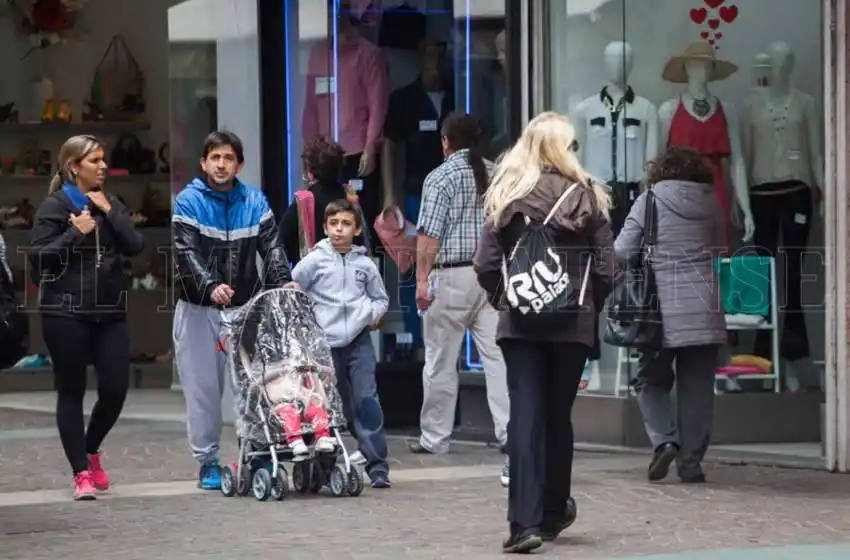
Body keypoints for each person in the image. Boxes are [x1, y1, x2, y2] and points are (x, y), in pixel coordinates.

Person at [473, 112, 616, 553]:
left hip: (520, 326)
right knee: (558, 415)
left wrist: (510, 299)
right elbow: (608, 267)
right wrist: (587, 307)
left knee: (526, 416)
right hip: (572, 323)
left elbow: (485, 264)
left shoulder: (506, 195)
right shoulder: (588, 197)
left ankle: (525, 523)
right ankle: (554, 511)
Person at [172, 131, 294, 490]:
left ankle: (256, 453)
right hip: (197, 309)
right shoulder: (189, 201)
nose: (222, 164)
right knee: (203, 390)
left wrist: (283, 281)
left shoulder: (254, 201)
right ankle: (207, 461)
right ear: (204, 163)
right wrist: (209, 285)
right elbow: (185, 252)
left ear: (239, 163)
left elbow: (272, 247)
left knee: (255, 385)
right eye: (215, 157)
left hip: (245, 308)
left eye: (228, 158)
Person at [29, 134, 145, 500]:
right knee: (71, 391)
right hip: (64, 311)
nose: (103, 167)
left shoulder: (112, 202)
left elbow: (135, 245)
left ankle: (90, 449)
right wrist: (72, 233)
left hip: (109, 311)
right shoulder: (54, 206)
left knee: (114, 390)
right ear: (73, 167)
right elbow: (38, 259)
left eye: (103, 160)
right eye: (94, 161)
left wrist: (110, 212)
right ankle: (81, 472)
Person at [614, 146, 727, 484]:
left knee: (650, 380)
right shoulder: (711, 201)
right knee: (698, 389)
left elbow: (621, 250)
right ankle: (691, 463)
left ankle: (664, 440)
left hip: (658, 310)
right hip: (704, 306)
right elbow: (720, 248)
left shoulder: (649, 200)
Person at [409, 112, 510, 474]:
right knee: (498, 358)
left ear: (445, 141)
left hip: (450, 276)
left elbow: (429, 237)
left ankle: (435, 437)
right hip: (492, 276)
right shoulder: (498, 173)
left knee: (440, 360)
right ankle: (508, 431)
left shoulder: (439, 178)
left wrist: (422, 280)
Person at [291, 198, 391, 488]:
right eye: (333, 223)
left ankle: (377, 466)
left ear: (357, 229)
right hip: (323, 344)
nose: (339, 229)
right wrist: (308, 324)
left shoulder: (366, 265)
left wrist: (369, 316)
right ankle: (323, 466)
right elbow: (294, 289)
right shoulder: (314, 260)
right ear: (324, 227)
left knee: (366, 400)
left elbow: (380, 299)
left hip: (358, 343)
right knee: (325, 404)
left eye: (346, 224)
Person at [279, 136, 364, 264]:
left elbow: (281, 243)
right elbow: (361, 240)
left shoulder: (304, 200)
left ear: (309, 169)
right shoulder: (350, 196)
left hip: (312, 276)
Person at [268, 369, 336, 457]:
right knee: (290, 413)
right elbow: (274, 395)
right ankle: (295, 440)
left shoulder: (298, 372)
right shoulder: (271, 376)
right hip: (285, 404)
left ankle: (322, 437)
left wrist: (311, 395)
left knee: (318, 410)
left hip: (304, 403)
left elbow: (307, 390)